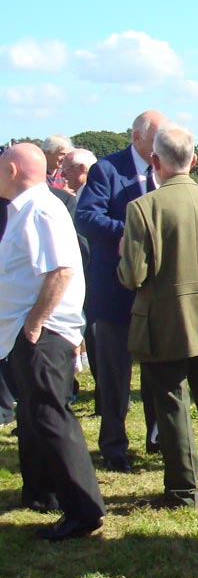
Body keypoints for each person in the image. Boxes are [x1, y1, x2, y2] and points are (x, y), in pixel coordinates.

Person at [117, 123, 198, 508]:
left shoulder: (142, 208)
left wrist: (123, 259)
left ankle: (182, 490)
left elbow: (133, 275)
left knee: (171, 406)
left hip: (163, 323)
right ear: (195, 160)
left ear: (155, 161)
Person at [0, 143, 106, 540]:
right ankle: (45, 494)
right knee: (36, 415)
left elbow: (61, 269)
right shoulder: (26, 209)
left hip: (41, 335)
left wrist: (34, 323)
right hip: (26, 333)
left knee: (50, 416)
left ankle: (83, 509)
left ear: (12, 170)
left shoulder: (41, 208)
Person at [75, 110, 166, 470]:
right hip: (114, 292)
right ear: (137, 136)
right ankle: (114, 446)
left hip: (154, 291)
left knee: (157, 372)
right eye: (157, 137)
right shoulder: (107, 170)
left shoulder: (166, 170)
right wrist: (130, 232)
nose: (161, 145)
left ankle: (157, 437)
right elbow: (86, 217)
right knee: (114, 377)